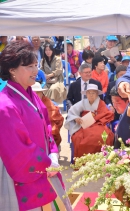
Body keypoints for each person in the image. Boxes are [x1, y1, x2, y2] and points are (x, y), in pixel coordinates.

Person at [0, 41, 72, 210]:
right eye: (28, 66)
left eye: (35, 65)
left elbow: (47, 128)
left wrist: (53, 153)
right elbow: (17, 150)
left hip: (44, 165)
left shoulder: (32, 96)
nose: (35, 71)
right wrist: (47, 162)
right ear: (11, 70)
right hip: (23, 173)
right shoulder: (5, 105)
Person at [64, 84, 114, 159]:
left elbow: (106, 114)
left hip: (98, 124)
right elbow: (72, 112)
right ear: (86, 94)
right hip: (84, 125)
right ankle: (83, 161)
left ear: (97, 94)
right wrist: (76, 118)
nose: (91, 95)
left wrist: (96, 118)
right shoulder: (83, 102)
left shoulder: (101, 103)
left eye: (93, 93)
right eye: (89, 93)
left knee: (102, 136)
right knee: (79, 138)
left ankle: (100, 159)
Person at [31, 82, 64, 147]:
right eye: (34, 93)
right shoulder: (26, 104)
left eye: (38, 93)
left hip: (49, 135)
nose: (36, 95)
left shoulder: (49, 104)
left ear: (42, 93)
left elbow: (57, 120)